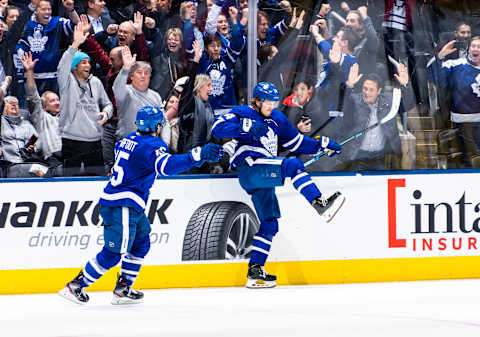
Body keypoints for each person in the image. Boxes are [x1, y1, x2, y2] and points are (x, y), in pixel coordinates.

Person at [58, 105, 224, 304]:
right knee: (113, 253)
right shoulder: (153, 144)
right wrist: (196, 156)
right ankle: (76, 285)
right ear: (156, 126)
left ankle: (123, 288)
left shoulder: (127, 140)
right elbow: (166, 167)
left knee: (141, 242)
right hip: (123, 205)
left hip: (127, 204)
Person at [211, 81, 345, 288]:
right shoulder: (243, 112)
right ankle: (319, 203)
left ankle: (255, 272)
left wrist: (322, 145)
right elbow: (217, 128)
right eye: (267, 102)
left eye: (273, 102)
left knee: (270, 223)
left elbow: (297, 142)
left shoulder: (277, 119)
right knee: (293, 165)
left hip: (264, 176)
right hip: (251, 168)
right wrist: (244, 126)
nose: (271, 106)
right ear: (256, 100)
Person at [57, 22, 113, 176]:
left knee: (97, 181)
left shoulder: (95, 82)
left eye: (88, 62)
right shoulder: (66, 80)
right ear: (74, 67)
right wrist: (75, 44)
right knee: (69, 181)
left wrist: (106, 113)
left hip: (94, 140)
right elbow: (63, 66)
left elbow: (108, 104)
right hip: (71, 139)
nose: (88, 65)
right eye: (83, 62)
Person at [427, 36, 480, 168]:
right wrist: (439, 57)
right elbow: (434, 76)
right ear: (468, 49)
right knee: (468, 162)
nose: (476, 49)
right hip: (462, 123)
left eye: (479, 46)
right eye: (473, 46)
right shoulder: (456, 65)